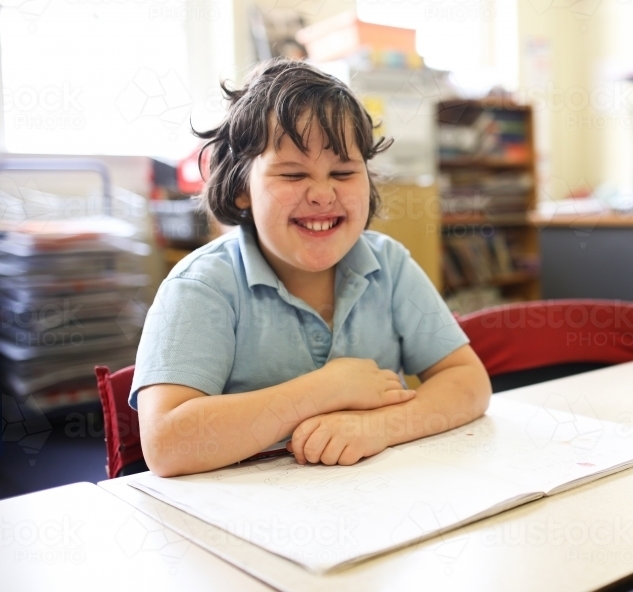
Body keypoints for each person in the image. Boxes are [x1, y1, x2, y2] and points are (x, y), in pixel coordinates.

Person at [131, 59, 491, 477]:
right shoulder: (203, 285)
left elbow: (468, 383)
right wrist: (326, 389)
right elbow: (166, 443)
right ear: (242, 186)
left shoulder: (388, 263)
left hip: (377, 504)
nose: (322, 194)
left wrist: (379, 427)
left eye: (343, 171)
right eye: (292, 173)